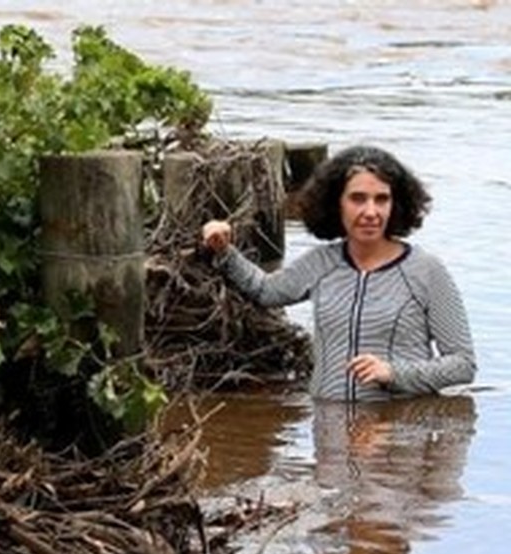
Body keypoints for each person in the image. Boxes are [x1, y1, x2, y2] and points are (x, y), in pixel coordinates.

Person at [201, 144, 475, 401]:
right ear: (336, 203)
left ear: (396, 205)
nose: (371, 211)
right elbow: (264, 291)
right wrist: (224, 250)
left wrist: (394, 373)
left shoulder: (426, 271)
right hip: (329, 426)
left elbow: (462, 364)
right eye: (358, 199)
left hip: (398, 429)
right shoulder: (321, 263)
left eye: (381, 199)